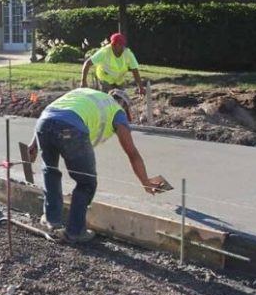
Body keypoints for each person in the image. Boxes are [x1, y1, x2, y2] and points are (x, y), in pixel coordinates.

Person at [27, 88, 163, 243]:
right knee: (86, 182)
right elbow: (132, 152)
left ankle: (52, 221)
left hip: (43, 123)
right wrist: (145, 181)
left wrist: (33, 144)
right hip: (70, 130)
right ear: (123, 104)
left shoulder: (84, 93)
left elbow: (52, 111)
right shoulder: (117, 111)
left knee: (50, 171)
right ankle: (75, 232)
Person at [80, 33, 145, 96]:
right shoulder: (105, 51)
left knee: (120, 99)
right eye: (114, 44)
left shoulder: (128, 54)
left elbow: (135, 70)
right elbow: (87, 63)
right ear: (112, 44)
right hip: (105, 77)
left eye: (120, 44)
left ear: (123, 45)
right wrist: (83, 81)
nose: (116, 46)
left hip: (119, 79)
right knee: (107, 99)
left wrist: (140, 87)